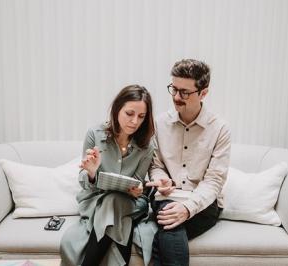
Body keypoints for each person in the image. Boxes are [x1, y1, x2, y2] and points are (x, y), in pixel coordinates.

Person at [146, 59, 231, 265]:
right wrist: (162, 180)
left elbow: (214, 181)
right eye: (173, 89)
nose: (176, 97)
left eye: (184, 92)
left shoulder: (219, 129)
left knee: (168, 230)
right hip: (167, 196)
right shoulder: (159, 123)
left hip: (204, 203)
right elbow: (155, 166)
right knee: (170, 221)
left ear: (203, 93)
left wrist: (187, 208)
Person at [60, 85, 155, 266]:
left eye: (141, 116)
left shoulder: (147, 146)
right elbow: (84, 180)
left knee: (114, 200)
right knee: (112, 202)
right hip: (96, 201)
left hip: (131, 203)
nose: (135, 121)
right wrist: (92, 173)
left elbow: (138, 183)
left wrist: (137, 189)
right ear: (117, 108)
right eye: (129, 113)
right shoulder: (94, 134)